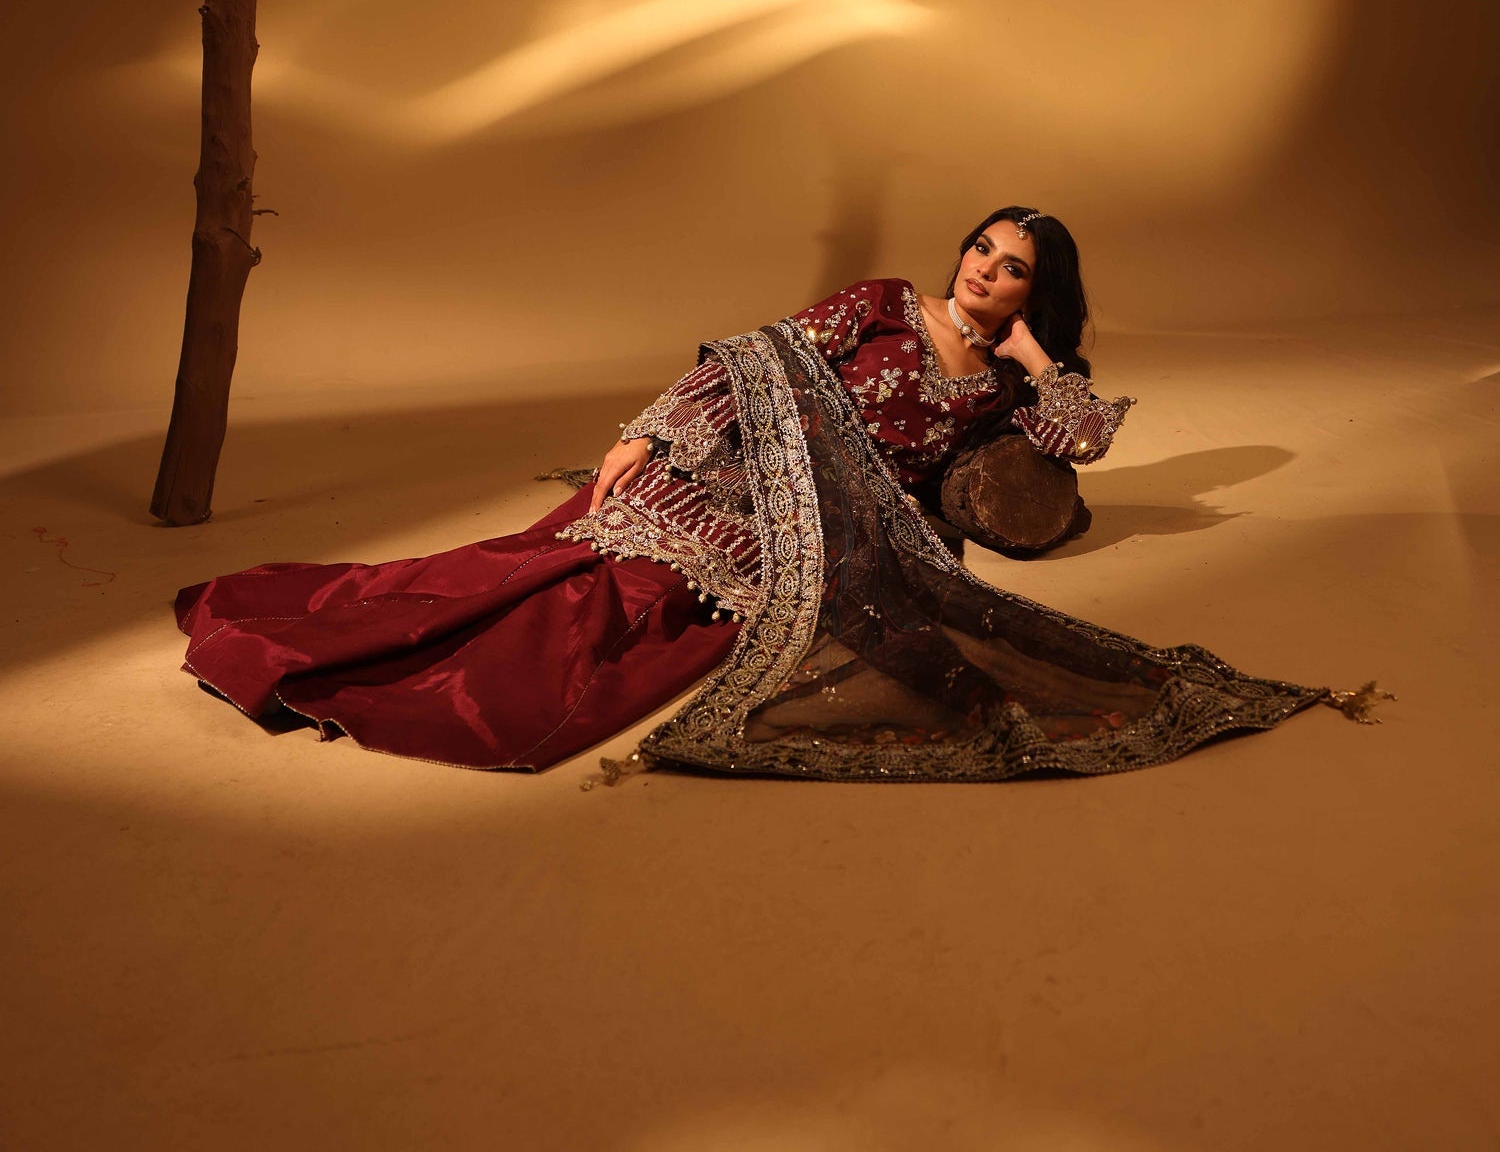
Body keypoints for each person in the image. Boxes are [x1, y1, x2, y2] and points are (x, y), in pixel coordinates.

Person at [176, 206, 1383, 780]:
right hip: (732, 468)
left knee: (656, 617)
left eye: (1014, 269)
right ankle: (331, 655)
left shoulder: (1012, 384)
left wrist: (1032, 357)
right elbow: (759, 362)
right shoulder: (882, 302)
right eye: (982, 247)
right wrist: (645, 435)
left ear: (1035, 292)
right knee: (575, 564)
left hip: (830, 528)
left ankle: (370, 683)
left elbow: (1078, 442)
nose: (985, 270)